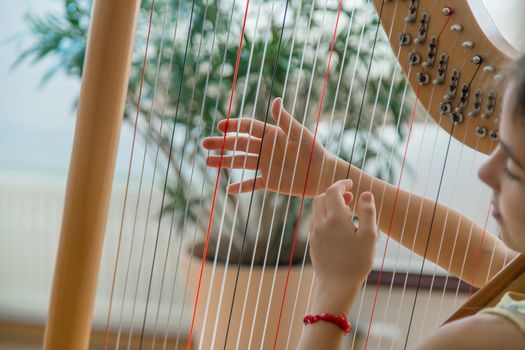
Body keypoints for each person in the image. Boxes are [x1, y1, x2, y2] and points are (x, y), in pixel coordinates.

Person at [202, 56, 525, 348]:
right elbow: (487, 260)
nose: (485, 171)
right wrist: (328, 173)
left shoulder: (489, 338)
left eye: (512, 165)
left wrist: (336, 286)